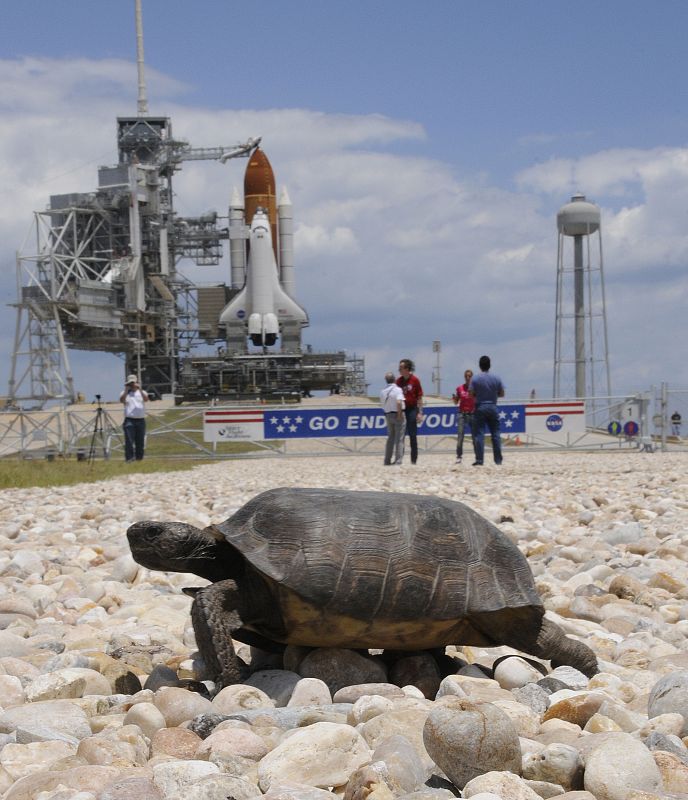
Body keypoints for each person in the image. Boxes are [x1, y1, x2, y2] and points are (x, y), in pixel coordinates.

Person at [469, 355, 505, 466]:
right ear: (490, 365)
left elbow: (471, 394)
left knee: (479, 434)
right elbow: (502, 393)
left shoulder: (475, 378)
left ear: (480, 366)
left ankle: (480, 460)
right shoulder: (496, 378)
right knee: (496, 434)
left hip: (480, 407)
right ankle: (498, 460)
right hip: (493, 406)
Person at [396, 358, 424, 465]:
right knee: (400, 436)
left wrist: (420, 412)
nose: (399, 370)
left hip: (412, 409)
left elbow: (419, 397)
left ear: (407, 369)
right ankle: (399, 459)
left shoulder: (415, 380)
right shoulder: (398, 381)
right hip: (402, 410)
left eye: (401, 368)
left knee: (413, 435)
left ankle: (413, 460)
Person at [119, 374, 149, 462]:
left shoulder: (142, 392)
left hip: (140, 420)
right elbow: (121, 400)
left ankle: (139, 458)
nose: (132, 384)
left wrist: (139, 388)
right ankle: (129, 458)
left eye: (133, 382)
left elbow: (146, 399)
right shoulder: (124, 393)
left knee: (140, 441)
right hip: (129, 420)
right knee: (129, 441)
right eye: (130, 383)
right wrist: (126, 390)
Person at [452, 368, 477, 464]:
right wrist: (454, 399)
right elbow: (456, 402)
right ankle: (459, 456)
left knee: (475, 437)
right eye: (466, 376)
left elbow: (477, 400)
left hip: (472, 413)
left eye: (469, 376)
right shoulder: (460, 388)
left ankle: (477, 456)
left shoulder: (475, 388)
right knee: (460, 435)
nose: (468, 378)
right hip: (462, 413)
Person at [380, 372, 405, 465]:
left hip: (388, 414)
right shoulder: (397, 390)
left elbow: (382, 404)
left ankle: (387, 460)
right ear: (394, 379)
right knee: (399, 439)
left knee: (390, 438)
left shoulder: (383, 391)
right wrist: (399, 414)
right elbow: (399, 402)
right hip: (397, 414)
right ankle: (398, 460)